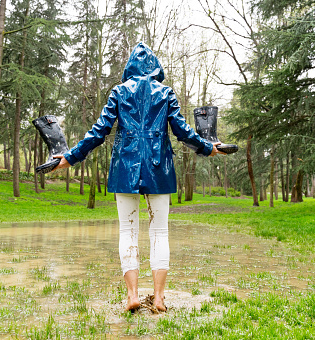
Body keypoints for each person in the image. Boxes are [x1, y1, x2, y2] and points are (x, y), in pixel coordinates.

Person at [53, 42, 225, 312]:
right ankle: (158, 298)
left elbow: (100, 131)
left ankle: (133, 295)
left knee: (127, 231)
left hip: (125, 166)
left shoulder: (119, 92)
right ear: (155, 67)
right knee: (159, 232)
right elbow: (181, 130)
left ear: (129, 67)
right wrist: (206, 147)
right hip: (159, 167)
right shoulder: (165, 92)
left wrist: (71, 156)